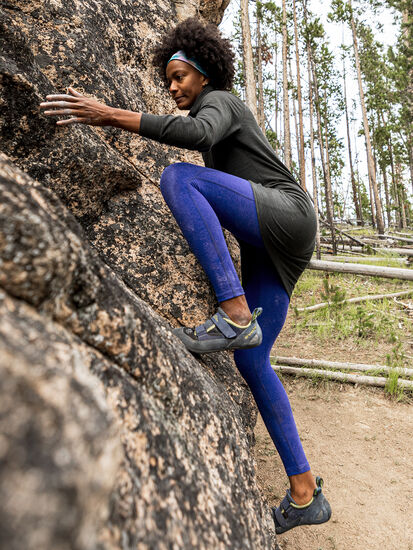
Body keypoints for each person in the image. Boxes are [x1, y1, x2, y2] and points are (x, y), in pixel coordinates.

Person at [39, 16, 331, 535]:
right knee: (253, 359)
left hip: (286, 214)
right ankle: (305, 492)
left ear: (203, 73)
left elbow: (198, 134)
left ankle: (234, 311)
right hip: (273, 244)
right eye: (168, 80)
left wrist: (110, 114)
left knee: (177, 176)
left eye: (179, 77)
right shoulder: (210, 106)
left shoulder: (219, 101)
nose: (173, 87)